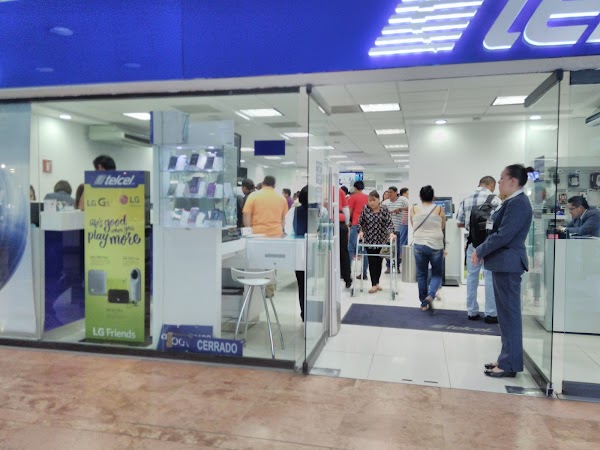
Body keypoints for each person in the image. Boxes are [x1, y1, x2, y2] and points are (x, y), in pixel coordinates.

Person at [471, 164, 534, 378]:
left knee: (509, 316)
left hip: (508, 264)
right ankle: (506, 358)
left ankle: (509, 364)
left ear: (513, 181)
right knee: (505, 316)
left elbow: (504, 235)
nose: (499, 182)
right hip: (503, 263)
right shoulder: (512, 202)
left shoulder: (518, 203)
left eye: (501, 178)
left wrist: (480, 250)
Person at [456, 176, 502, 323]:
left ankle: (472, 311)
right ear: (491, 185)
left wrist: (472, 227)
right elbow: (500, 224)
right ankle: (491, 313)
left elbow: (459, 223)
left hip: (472, 243)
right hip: (489, 244)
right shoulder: (495, 200)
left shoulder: (466, 199)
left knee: (471, 277)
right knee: (489, 277)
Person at [411, 185, 446, 312]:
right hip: (436, 245)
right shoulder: (439, 209)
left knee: (422, 274)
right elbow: (442, 226)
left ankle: (423, 304)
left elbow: (413, 224)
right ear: (433, 197)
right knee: (436, 273)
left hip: (419, 243)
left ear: (420, 196)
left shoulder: (414, 209)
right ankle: (431, 295)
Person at [358, 190, 394, 294]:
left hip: (381, 240)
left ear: (378, 200)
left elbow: (389, 223)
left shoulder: (384, 209)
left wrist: (391, 233)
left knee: (379, 262)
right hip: (369, 240)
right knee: (372, 262)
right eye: (370, 200)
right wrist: (360, 231)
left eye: (374, 200)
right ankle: (373, 284)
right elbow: (360, 223)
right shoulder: (365, 209)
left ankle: (377, 283)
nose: (372, 203)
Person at [348, 180, 369, 280]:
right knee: (365, 250)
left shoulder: (353, 197)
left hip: (356, 224)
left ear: (355, 188)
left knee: (351, 249)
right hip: (366, 226)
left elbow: (350, 211)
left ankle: (348, 272)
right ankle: (364, 273)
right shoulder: (368, 197)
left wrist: (348, 222)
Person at [293, 186, 309, 321]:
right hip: (313, 252)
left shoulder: (296, 211)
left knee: (302, 285)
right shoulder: (321, 211)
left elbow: (293, 230)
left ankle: (304, 313)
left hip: (299, 251)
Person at [382, 186, 404, 273]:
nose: (389, 194)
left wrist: (400, 209)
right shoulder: (385, 203)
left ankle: (397, 266)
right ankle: (388, 266)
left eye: (391, 192)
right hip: (387, 230)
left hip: (398, 228)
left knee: (397, 249)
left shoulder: (402, 201)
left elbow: (409, 207)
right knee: (387, 249)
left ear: (396, 192)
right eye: (388, 192)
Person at [338, 187, 352, 288]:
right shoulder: (340, 191)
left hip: (327, 223)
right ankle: (347, 278)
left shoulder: (322, 189)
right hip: (340, 223)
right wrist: (347, 225)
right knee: (343, 252)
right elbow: (346, 209)